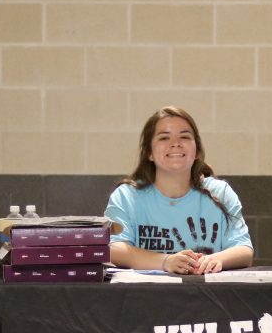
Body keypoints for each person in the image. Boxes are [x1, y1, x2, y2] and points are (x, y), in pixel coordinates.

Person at [106, 106, 254, 275]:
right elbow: (114, 249)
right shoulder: (126, 196)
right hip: (145, 298)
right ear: (149, 153)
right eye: (164, 138)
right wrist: (166, 261)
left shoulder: (220, 193)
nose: (175, 143)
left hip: (207, 297)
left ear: (197, 150)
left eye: (184, 136)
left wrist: (216, 259)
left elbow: (244, 250)